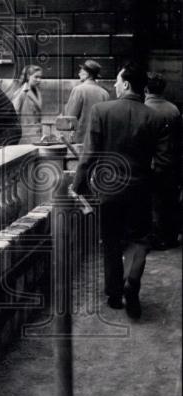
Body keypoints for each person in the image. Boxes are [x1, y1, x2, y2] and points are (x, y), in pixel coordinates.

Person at [74, 63, 170, 319]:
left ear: (126, 84)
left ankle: (115, 294)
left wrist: (78, 186)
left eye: (117, 81)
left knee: (111, 241)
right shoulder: (156, 117)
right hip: (140, 189)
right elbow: (162, 162)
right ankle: (132, 280)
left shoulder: (101, 111)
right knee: (140, 239)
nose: (114, 85)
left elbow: (89, 155)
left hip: (108, 190)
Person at [145, 72, 182, 249]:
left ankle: (155, 237)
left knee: (152, 202)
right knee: (169, 200)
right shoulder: (173, 109)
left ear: (145, 88)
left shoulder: (143, 108)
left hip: (150, 164)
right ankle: (170, 236)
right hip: (171, 163)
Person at [63, 59, 109, 144]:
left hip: (80, 140)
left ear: (87, 74)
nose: (79, 73)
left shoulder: (78, 90)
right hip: (98, 141)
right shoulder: (104, 93)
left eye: (81, 71)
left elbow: (70, 117)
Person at [12, 64, 44, 143]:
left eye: (40, 77)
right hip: (25, 135)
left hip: (36, 134)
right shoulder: (21, 92)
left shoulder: (37, 91)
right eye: (36, 77)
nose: (39, 80)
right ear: (28, 76)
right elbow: (14, 114)